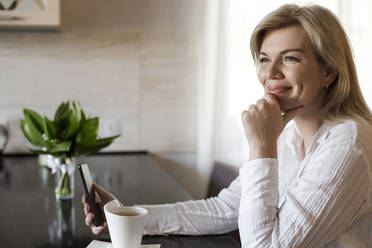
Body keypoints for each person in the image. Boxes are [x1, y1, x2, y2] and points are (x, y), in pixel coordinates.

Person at [82, 4, 372, 247]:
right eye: (264, 59)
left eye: (290, 58)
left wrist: (261, 145)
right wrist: (126, 218)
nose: (269, 73)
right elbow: (224, 209)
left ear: (329, 72)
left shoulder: (348, 142)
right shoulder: (291, 135)